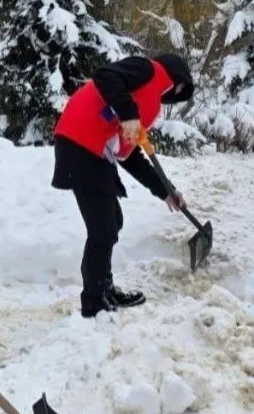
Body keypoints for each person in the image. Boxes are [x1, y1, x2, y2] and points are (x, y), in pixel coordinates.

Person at [51, 53, 193, 318]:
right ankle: (93, 301)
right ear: (176, 76)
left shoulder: (144, 100)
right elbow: (106, 76)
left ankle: (103, 288)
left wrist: (165, 190)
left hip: (90, 149)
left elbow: (130, 157)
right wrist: (128, 114)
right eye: (181, 88)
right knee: (103, 227)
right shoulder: (147, 70)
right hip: (80, 144)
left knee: (111, 222)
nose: (177, 94)